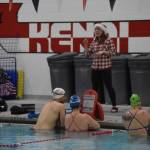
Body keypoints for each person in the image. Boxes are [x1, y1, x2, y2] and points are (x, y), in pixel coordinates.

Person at [83, 23, 118, 112]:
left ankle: (114, 106)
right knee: (94, 88)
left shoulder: (108, 40)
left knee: (109, 86)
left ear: (103, 31)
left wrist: (103, 52)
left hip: (105, 67)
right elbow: (87, 55)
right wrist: (86, 47)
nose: (97, 31)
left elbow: (114, 52)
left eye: (99, 30)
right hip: (95, 68)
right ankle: (93, 107)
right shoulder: (94, 41)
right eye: (96, 30)